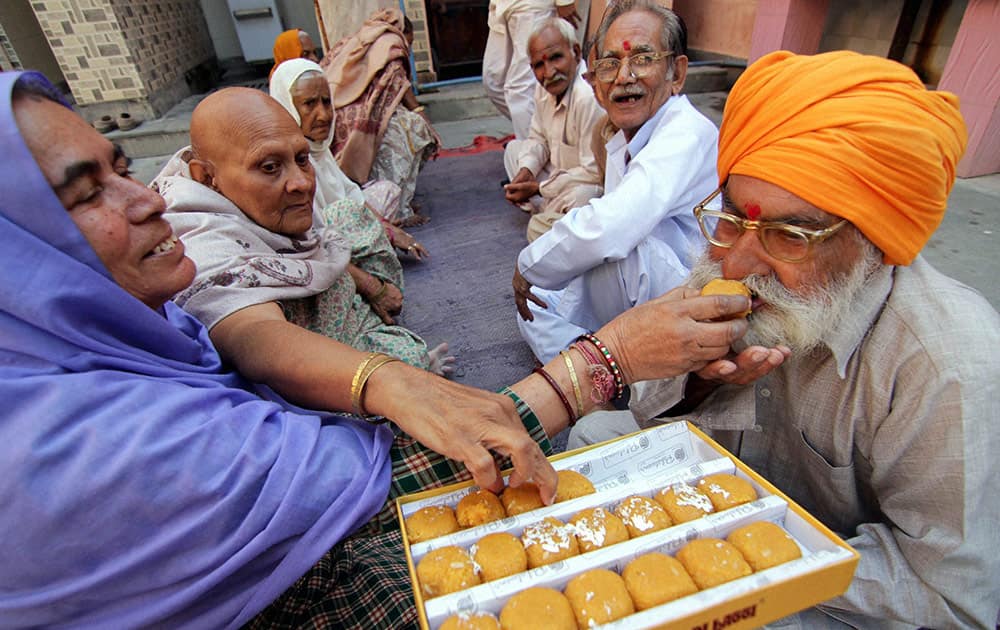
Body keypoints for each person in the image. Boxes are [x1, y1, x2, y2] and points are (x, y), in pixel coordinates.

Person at [0, 69, 753, 627]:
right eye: (85, 192)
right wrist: (607, 358)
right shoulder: (71, 443)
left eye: (122, 167)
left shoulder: (121, 334)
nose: (147, 199)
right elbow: (340, 449)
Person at [570, 50, 1000, 628]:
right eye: (730, 217)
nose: (739, 261)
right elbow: (653, 418)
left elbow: (949, 592)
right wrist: (697, 384)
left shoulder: (947, 362)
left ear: (871, 244)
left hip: (827, 573)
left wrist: (736, 551)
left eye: (789, 234)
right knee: (596, 434)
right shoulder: (727, 273)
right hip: (732, 497)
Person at [155, 88, 453, 375]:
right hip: (315, 355)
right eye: (270, 167)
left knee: (348, 214)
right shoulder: (203, 249)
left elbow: (319, 241)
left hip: (334, 303)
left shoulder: (270, 206)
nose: (303, 183)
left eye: (301, 159)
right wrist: (385, 382)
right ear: (207, 177)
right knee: (406, 362)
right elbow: (260, 341)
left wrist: (370, 286)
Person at [513, 0, 718, 363]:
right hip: (639, 284)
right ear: (596, 84)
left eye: (643, 59)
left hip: (691, 294)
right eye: (610, 65)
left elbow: (614, 228)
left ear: (677, 73)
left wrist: (529, 264)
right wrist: (541, 270)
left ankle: (604, 364)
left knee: (616, 249)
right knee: (536, 301)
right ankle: (601, 372)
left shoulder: (686, 131)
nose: (624, 77)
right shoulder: (623, 139)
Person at [270, 58, 428, 260]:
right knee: (346, 213)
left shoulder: (318, 149)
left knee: (385, 191)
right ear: (286, 107)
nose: (324, 115)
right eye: (309, 104)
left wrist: (384, 226)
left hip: (341, 226)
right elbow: (314, 230)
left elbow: (350, 192)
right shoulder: (287, 161)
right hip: (318, 245)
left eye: (326, 102)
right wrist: (383, 232)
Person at [325, 9, 439, 225]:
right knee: (413, 129)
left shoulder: (357, 40)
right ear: (403, 31)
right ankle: (399, 210)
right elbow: (398, 81)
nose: (409, 49)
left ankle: (393, 201)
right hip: (361, 124)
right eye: (410, 42)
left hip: (340, 124)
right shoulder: (390, 41)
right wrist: (421, 114)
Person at [502, 18, 605, 242]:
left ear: (576, 53)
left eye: (556, 58)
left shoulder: (587, 97)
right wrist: (526, 173)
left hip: (585, 183)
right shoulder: (545, 88)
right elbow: (537, 138)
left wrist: (539, 188)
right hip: (558, 178)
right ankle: (550, 217)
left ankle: (549, 219)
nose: (548, 72)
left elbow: (594, 174)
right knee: (514, 150)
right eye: (539, 65)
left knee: (584, 197)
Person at [484, 0, 580, 139]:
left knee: (520, 91)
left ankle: (535, 151)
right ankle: (548, 136)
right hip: (502, 6)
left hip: (532, 6)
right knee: (493, 82)